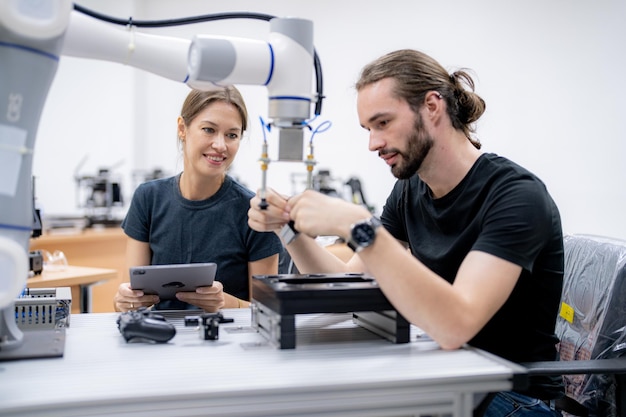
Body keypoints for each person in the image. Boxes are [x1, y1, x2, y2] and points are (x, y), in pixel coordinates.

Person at [248, 49, 564, 416]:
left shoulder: (516, 196)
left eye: (383, 123)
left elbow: (456, 325)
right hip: (454, 374)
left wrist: (357, 224)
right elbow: (350, 287)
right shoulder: (410, 190)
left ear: (432, 107)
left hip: (512, 395)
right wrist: (290, 231)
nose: (373, 143)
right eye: (368, 129)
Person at [115, 86, 283, 313]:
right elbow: (133, 303)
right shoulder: (148, 199)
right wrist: (124, 301)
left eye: (232, 135)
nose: (221, 145)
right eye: (209, 130)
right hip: (159, 338)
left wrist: (226, 303)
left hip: (227, 340)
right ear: (182, 128)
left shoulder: (254, 212)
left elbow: (268, 311)